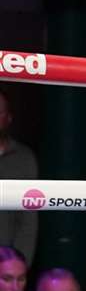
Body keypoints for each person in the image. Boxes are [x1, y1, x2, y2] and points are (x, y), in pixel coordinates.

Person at [0, 90, 39, 262]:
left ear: (8, 118)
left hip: (9, 264)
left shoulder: (24, 158)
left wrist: (18, 263)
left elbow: (28, 220)